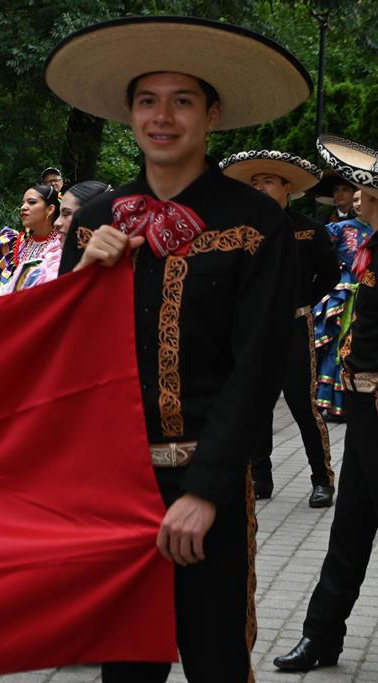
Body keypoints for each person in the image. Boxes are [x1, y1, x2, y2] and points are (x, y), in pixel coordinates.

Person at [46, 16, 307, 681]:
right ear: (129, 114)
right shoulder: (98, 220)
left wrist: (207, 489)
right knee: (126, 669)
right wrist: (81, 280)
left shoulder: (256, 222)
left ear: (211, 113)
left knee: (216, 659)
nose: (162, 117)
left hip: (206, 485)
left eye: (182, 100)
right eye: (147, 101)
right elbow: (60, 357)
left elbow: (259, 368)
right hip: (117, 488)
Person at [274, 135, 378, 672]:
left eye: (365, 190)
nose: (356, 196)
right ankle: (322, 637)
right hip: (364, 411)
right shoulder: (369, 247)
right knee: (349, 528)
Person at [219, 150, 340, 506]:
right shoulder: (242, 232)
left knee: (302, 405)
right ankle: (260, 479)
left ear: (287, 188)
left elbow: (330, 275)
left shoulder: (310, 230)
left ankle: (322, 479)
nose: (260, 188)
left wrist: (302, 301)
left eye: (268, 181)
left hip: (293, 328)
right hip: (253, 331)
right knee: (256, 406)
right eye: (255, 183)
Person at [313, 200, 374, 421]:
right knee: (338, 345)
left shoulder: (374, 228)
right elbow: (322, 256)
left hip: (368, 292)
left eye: (361, 198)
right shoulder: (339, 227)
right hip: (345, 294)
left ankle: (357, 400)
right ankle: (332, 402)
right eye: (355, 199)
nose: (358, 203)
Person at [0, 184, 63, 298]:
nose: (23, 207)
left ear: (50, 209)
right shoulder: (11, 242)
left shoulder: (62, 245)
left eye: (32, 202)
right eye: (23, 203)